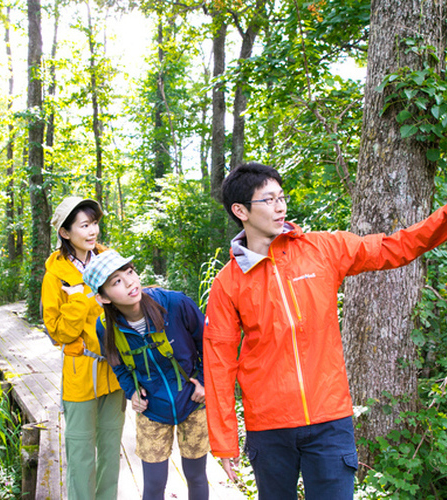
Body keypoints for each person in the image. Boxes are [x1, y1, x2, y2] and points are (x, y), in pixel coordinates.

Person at [203, 162, 447, 500]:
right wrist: (225, 441)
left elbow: (395, 247)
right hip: (269, 429)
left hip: (330, 422)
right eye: (269, 200)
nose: (281, 207)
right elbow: (219, 366)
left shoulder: (321, 250)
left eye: (282, 197)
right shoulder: (228, 283)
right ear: (240, 210)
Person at [82, 250, 209, 500]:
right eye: (116, 281)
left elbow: (209, 343)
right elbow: (117, 364)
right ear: (103, 297)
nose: (130, 282)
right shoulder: (105, 327)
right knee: (153, 486)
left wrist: (204, 383)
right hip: (151, 410)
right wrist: (131, 392)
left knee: (196, 477)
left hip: (193, 403)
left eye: (129, 272)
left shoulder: (174, 304)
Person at [41, 197, 125, 500]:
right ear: (65, 232)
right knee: (79, 450)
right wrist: (80, 299)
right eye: (84, 225)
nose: (93, 231)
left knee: (111, 447)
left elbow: (129, 302)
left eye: (95, 223)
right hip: (80, 371)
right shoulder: (55, 276)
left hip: (115, 368)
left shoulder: (110, 259)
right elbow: (59, 332)